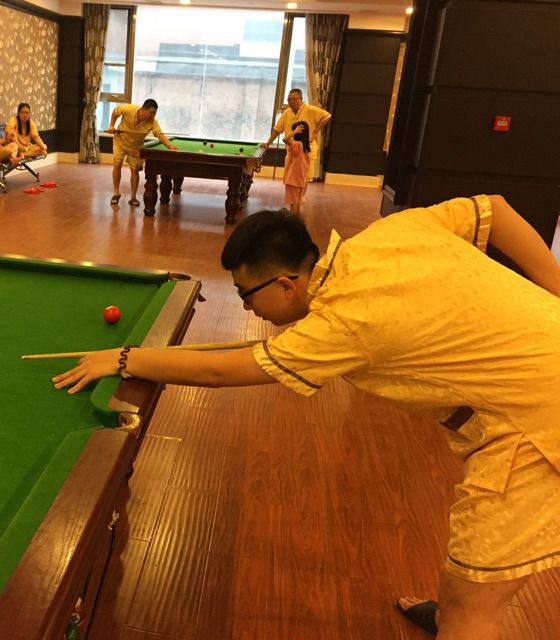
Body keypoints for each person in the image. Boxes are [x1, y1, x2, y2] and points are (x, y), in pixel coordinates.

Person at [52, 195, 560, 640]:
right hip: (529, 394)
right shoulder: (389, 233)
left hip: (537, 426)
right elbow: (495, 209)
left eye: (246, 294)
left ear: (287, 284)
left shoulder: (341, 324)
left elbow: (217, 372)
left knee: (476, 609)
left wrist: (124, 358)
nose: (246, 309)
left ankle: (459, 619)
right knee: (470, 573)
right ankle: (450, 611)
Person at [106, 99, 179, 206]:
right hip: (120, 141)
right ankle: (116, 193)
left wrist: (170, 146)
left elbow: (160, 135)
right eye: (151, 112)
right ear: (143, 109)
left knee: (134, 171)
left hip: (135, 147)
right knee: (117, 164)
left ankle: (133, 197)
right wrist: (112, 125)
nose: (153, 116)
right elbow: (115, 112)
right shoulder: (128, 109)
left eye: (155, 113)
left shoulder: (153, 121)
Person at [261, 88, 331, 181]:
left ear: (301, 99)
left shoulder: (310, 109)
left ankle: (300, 191)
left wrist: (315, 131)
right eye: (289, 100)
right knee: (290, 177)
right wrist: (268, 143)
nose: (291, 102)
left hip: (306, 149)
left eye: (294, 99)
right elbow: (277, 129)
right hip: (292, 149)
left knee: (303, 179)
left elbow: (327, 116)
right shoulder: (287, 112)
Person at [282, 121, 311, 215]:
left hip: (293, 178)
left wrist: (295, 131)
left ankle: (292, 219)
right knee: (297, 201)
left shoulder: (297, 144)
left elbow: (285, 139)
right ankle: (296, 218)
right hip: (301, 178)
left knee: (293, 202)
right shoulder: (306, 146)